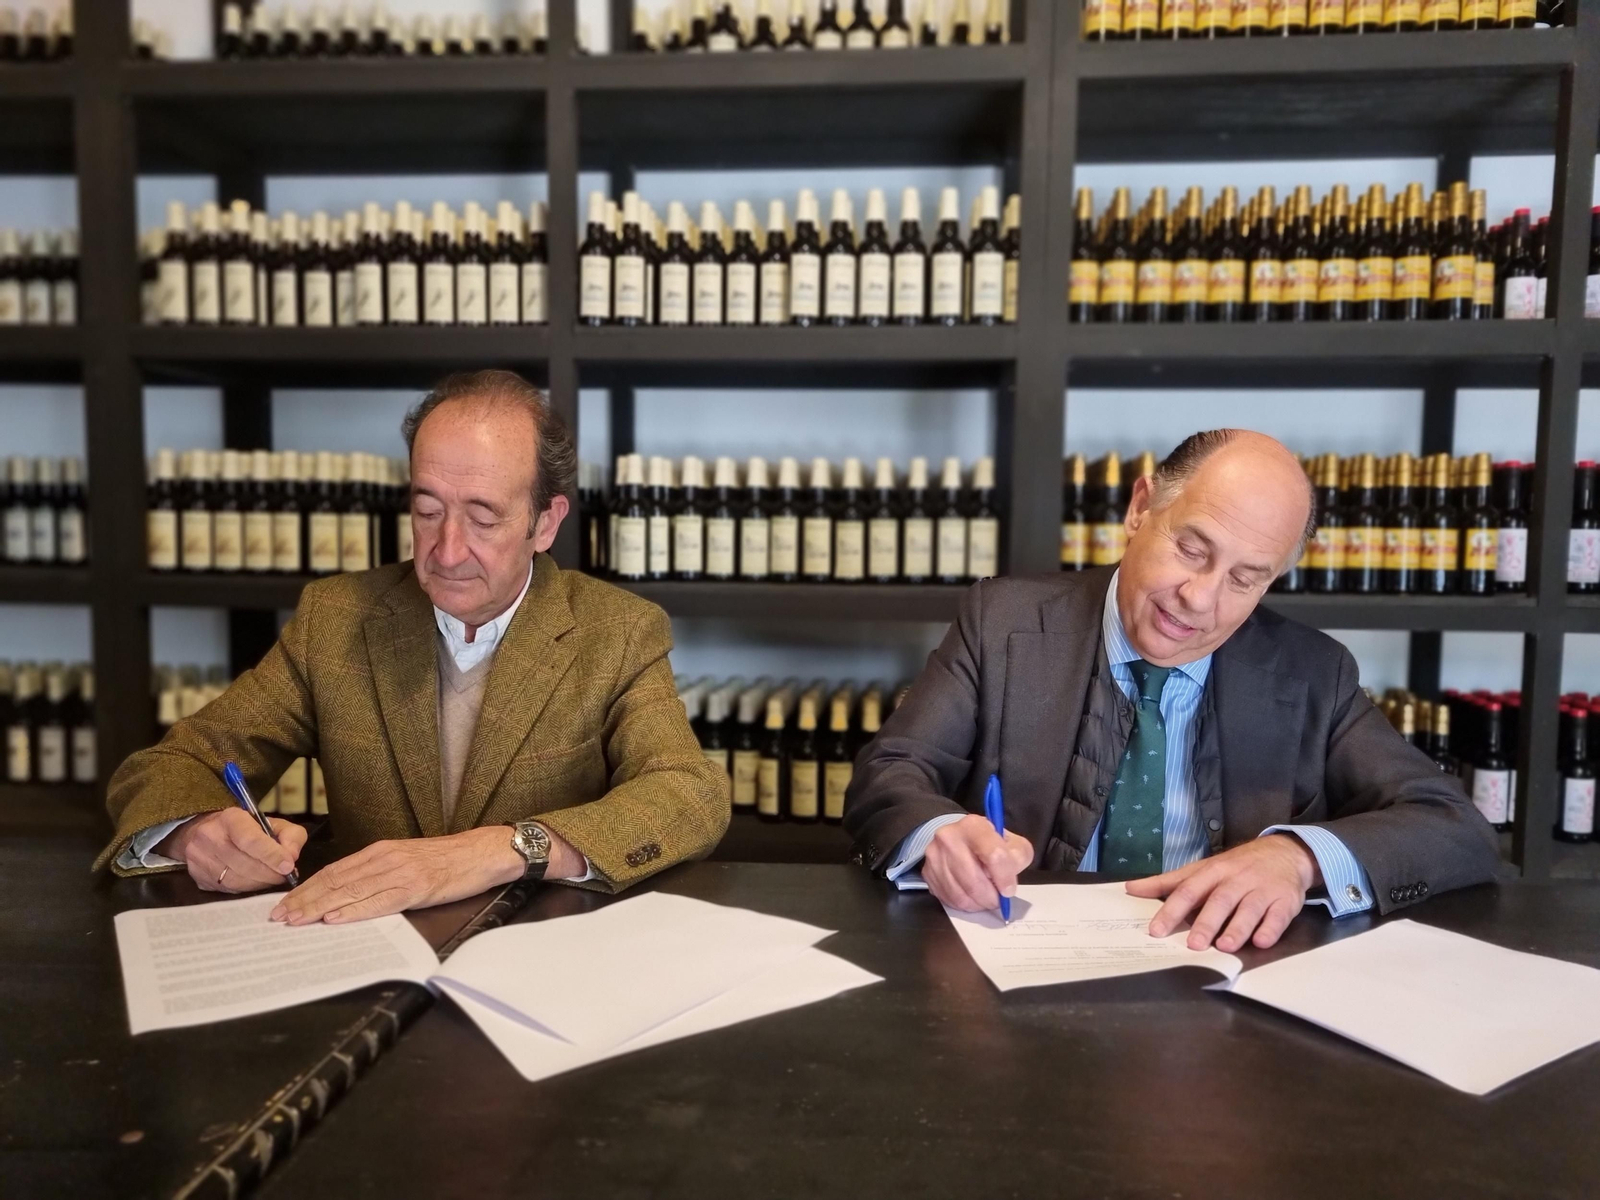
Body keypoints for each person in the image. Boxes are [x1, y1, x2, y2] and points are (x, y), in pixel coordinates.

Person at [96, 370, 729, 923]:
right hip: (361, 950)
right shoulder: (336, 618)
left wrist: (504, 850)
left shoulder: (616, 631)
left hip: (541, 954)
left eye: (483, 519)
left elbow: (687, 792)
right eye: (428, 511)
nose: (447, 551)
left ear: (546, 522)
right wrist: (194, 832)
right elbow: (172, 764)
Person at [844, 429, 1499, 953]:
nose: (1201, 599)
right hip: (1019, 963)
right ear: (1140, 508)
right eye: (1192, 549)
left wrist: (1298, 856)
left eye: (1246, 579)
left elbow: (1455, 827)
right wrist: (939, 833)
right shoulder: (1004, 623)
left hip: (1219, 983)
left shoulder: (1313, 673)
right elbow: (893, 770)